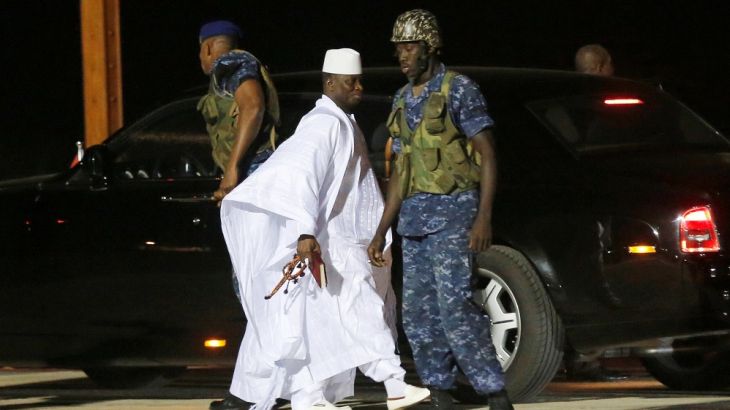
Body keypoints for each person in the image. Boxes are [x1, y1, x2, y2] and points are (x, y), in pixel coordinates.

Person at [215, 48, 430, 410]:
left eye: (359, 81)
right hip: (332, 242)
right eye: (351, 82)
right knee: (360, 313)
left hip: (344, 241)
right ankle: (394, 384)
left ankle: (309, 397)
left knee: (322, 325)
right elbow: (302, 177)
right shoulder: (322, 124)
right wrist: (304, 232)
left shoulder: (342, 121)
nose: (359, 88)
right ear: (330, 83)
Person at [367, 9, 513, 410]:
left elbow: (487, 153)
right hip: (414, 222)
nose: (403, 56)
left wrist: (483, 217)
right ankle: (440, 391)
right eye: (399, 48)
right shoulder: (402, 98)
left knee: (456, 308)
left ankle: (494, 392)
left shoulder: (458, 89)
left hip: (454, 214)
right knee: (418, 314)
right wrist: (382, 229)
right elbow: (401, 170)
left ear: (429, 47)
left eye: (410, 47)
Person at [197, 20, 280, 204]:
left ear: (207, 48)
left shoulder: (228, 64)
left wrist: (231, 168)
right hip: (256, 177)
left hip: (254, 177)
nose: (200, 58)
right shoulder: (236, 65)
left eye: (200, 51)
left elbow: (253, 106)